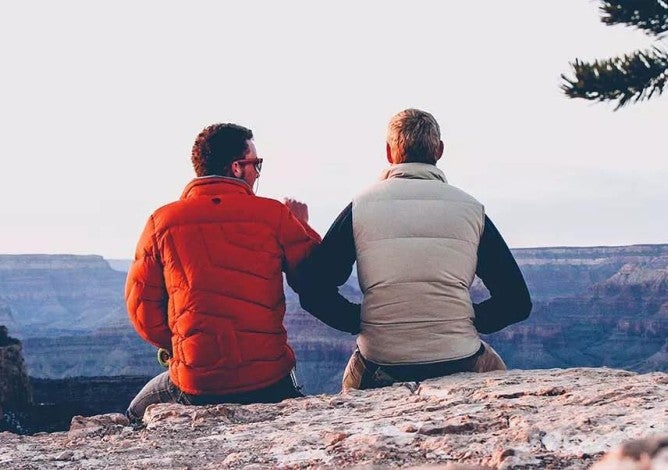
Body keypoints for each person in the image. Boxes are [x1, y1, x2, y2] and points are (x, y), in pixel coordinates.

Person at [296, 108, 532, 390]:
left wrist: (360, 320)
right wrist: (466, 319)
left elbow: (313, 291)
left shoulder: (361, 207)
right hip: (459, 357)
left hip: (382, 362)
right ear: (440, 151)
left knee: (352, 382)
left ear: (388, 152)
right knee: (497, 375)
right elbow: (517, 301)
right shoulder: (471, 209)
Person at [125, 123, 320, 422]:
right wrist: (302, 224)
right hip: (269, 380)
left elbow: (141, 310)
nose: (257, 172)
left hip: (197, 384)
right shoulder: (273, 215)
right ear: (237, 168)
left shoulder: (161, 222)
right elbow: (316, 278)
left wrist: (184, 344)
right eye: (257, 164)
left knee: (137, 412)